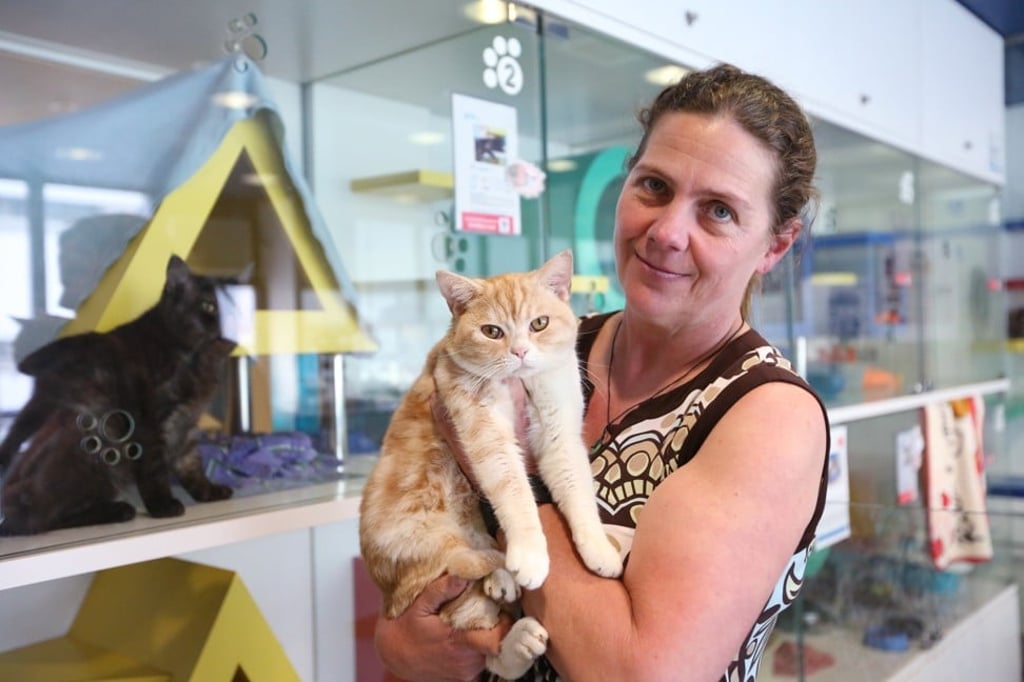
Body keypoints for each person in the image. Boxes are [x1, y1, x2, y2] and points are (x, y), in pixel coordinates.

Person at [374, 62, 830, 681]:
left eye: (718, 211)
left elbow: (638, 673)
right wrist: (400, 642)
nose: (667, 231)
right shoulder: (551, 338)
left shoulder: (765, 415)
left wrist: (525, 480)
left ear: (775, 245)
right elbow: (422, 577)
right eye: (654, 186)